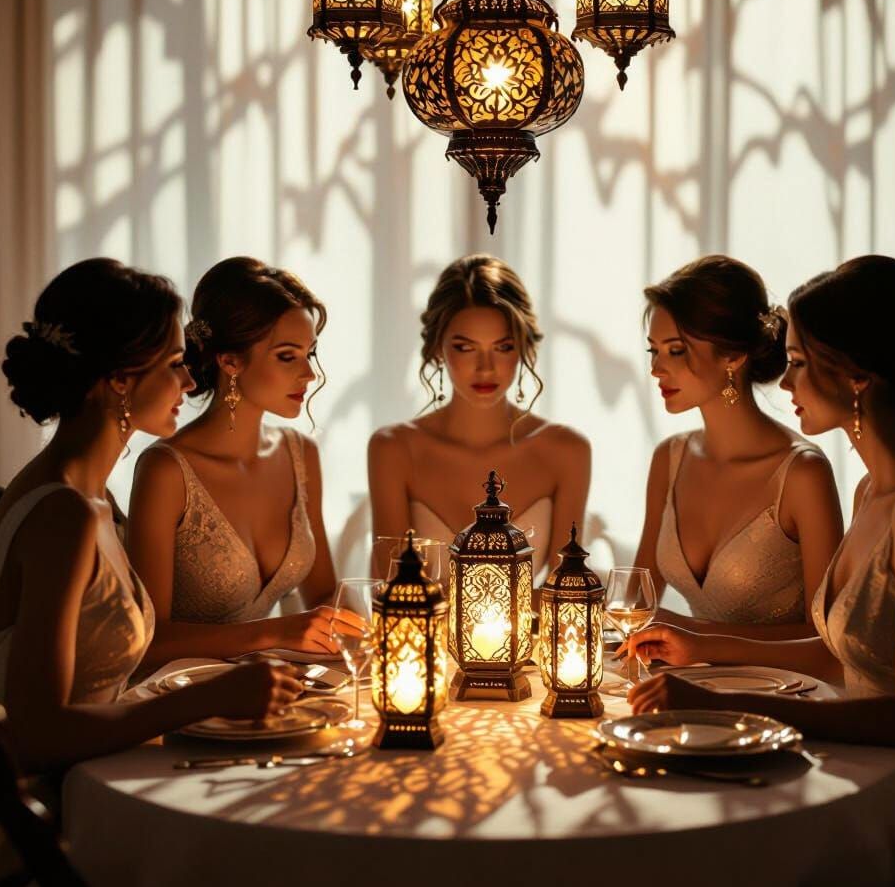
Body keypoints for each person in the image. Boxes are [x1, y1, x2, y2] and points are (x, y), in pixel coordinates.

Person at [625, 255, 895, 826]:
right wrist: (697, 647)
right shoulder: (874, 490)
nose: (784, 380)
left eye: (799, 362)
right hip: (875, 771)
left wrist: (727, 705)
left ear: (855, 374)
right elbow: (839, 658)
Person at [0, 259, 300, 771]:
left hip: (107, 770)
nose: (190, 384)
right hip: (61, 806)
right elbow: (38, 732)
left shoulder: (90, 493)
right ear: (121, 380)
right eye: (174, 363)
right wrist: (206, 698)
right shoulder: (63, 512)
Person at [128, 257, 362, 668]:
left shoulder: (300, 454)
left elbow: (323, 593)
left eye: (310, 353)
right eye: (288, 357)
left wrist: (359, 631)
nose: (309, 373)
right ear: (229, 361)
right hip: (177, 703)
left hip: (268, 693)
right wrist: (275, 633)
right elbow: (148, 642)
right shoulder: (166, 470)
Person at [633, 256, 843, 637]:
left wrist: (697, 636)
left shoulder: (803, 474)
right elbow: (634, 602)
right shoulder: (669, 459)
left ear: (733, 355)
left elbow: (825, 638)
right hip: (687, 686)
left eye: (676, 350)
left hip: (788, 693)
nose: (657, 369)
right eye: (654, 351)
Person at [368, 254, 590, 577]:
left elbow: (565, 595)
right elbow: (390, 588)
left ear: (523, 348)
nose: (486, 368)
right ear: (436, 349)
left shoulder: (568, 452)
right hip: (419, 630)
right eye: (465, 347)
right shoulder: (392, 450)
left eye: (502, 347)